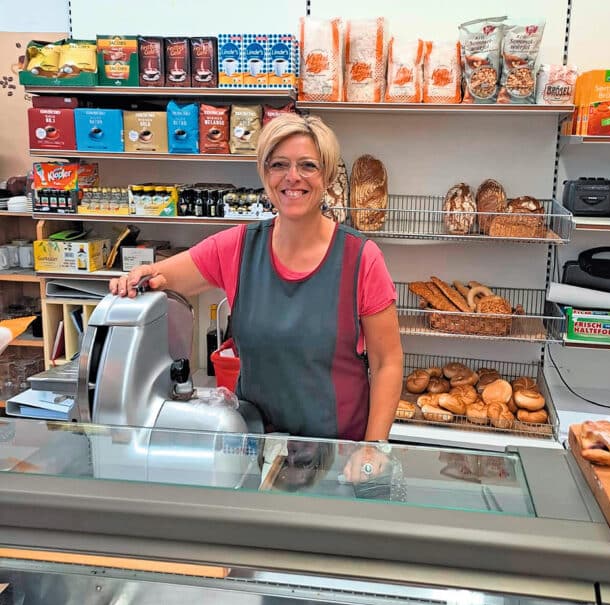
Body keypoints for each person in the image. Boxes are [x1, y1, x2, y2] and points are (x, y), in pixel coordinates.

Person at [110, 113, 403, 482]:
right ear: (265, 175)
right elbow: (163, 277)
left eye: (308, 166)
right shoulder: (237, 247)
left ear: (327, 176)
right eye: (278, 165)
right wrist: (135, 278)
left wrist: (373, 448)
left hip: (338, 455)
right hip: (255, 448)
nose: (292, 177)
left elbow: (387, 361)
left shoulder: (361, 258)